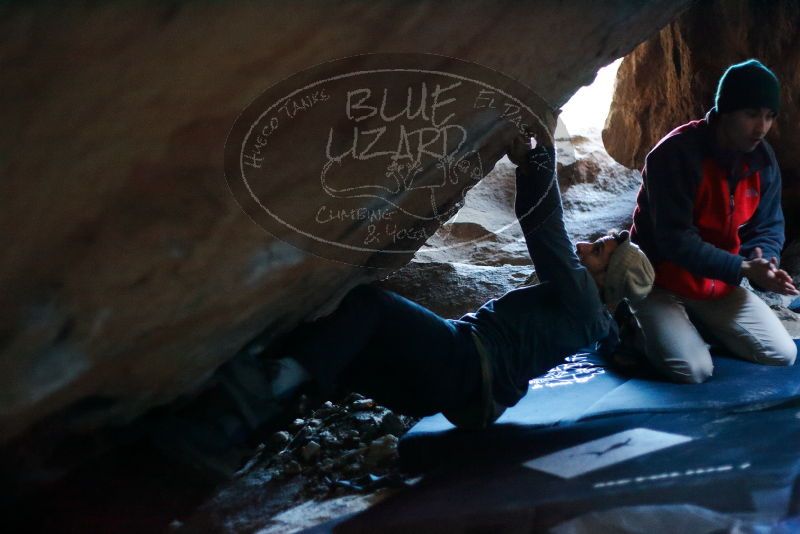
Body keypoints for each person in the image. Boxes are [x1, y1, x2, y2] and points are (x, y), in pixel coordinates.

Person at [154, 134, 655, 479]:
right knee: (339, 355)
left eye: (602, 249)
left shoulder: (582, 297)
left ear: (603, 277)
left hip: (463, 363)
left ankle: (258, 395)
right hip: (457, 397)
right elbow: (613, 338)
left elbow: (544, 230)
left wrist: (535, 158)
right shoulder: (598, 319)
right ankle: (227, 434)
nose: (589, 247)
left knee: (372, 306)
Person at [629, 58, 799, 385]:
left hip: (716, 282)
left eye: (769, 116)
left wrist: (765, 259)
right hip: (657, 279)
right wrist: (743, 269)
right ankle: (632, 324)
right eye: (751, 114)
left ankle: (696, 323)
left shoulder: (763, 159)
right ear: (724, 111)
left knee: (782, 354)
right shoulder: (675, 155)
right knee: (694, 370)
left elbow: (768, 225)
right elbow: (675, 241)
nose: (761, 127)